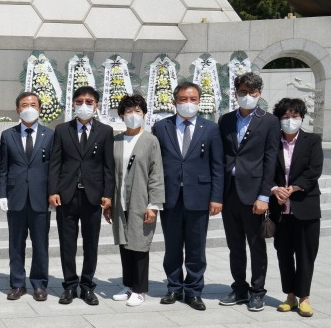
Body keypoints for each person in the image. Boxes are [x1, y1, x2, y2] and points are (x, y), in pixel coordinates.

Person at [152, 83, 224, 311]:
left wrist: (217, 197)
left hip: (199, 196)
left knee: (196, 247)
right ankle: (174, 287)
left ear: (199, 101)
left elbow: (217, 165)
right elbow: (155, 164)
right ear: (175, 102)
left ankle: (193, 291)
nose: (188, 103)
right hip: (170, 196)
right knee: (172, 246)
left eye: (193, 99)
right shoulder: (161, 127)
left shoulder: (210, 128)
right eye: (183, 99)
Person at [218, 72, 280, 311]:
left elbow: (270, 159)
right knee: (235, 246)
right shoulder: (225, 120)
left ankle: (257, 291)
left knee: (256, 245)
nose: (247, 96)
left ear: (259, 94)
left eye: (252, 93)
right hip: (229, 192)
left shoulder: (269, 121)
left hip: (254, 194)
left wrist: (264, 196)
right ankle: (239, 288)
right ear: (235, 93)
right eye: (242, 92)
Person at [48, 86, 114, 305]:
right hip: (66, 195)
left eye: (89, 101)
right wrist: (53, 191)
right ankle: (69, 286)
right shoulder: (62, 130)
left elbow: (108, 166)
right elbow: (55, 163)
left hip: (92, 197)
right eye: (79, 101)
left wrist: (108, 194)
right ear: (73, 104)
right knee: (67, 243)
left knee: (90, 244)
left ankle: (86, 286)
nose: (84, 105)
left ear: (96, 105)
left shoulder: (105, 131)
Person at [104, 94, 164, 307]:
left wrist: (153, 205)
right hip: (119, 200)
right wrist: (108, 201)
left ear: (144, 114)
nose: (133, 115)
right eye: (128, 111)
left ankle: (139, 289)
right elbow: (109, 172)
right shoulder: (116, 141)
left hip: (141, 200)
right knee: (124, 243)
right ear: (121, 115)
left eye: (137, 111)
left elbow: (156, 174)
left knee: (139, 245)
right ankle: (128, 285)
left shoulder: (150, 141)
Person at [0, 92, 54, 301]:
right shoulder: (8, 135)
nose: (29, 108)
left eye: (33, 105)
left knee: (40, 244)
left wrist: (53, 193)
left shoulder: (50, 135)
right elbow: (3, 168)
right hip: (16, 197)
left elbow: (54, 168)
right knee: (16, 244)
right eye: (24, 105)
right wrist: (2, 194)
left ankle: (39, 284)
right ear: (17, 109)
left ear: (39, 109)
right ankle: (17, 284)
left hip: (41, 198)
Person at [270, 98, 322, 317]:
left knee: (305, 255)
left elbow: (314, 170)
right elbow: (265, 169)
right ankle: (290, 296)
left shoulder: (312, 140)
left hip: (305, 207)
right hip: (280, 210)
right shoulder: (272, 141)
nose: (290, 120)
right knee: (284, 254)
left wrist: (292, 188)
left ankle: (305, 298)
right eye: (285, 116)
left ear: (302, 118)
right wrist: (275, 189)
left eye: (294, 116)